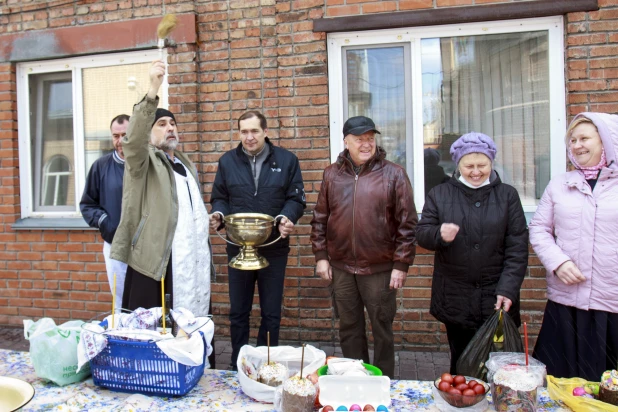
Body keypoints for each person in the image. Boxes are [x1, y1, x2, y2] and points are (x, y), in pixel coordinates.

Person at [110, 60, 215, 367]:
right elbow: (133, 141)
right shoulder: (143, 161)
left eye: (173, 124)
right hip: (159, 263)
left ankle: (193, 366)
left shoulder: (184, 164)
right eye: (162, 124)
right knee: (160, 333)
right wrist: (153, 88)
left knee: (192, 319)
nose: (170, 128)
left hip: (191, 264)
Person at [310, 116, 417, 379]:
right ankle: (355, 379)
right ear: (346, 142)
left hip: (379, 269)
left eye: (370, 138)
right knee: (349, 327)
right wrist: (321, 257)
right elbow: (320, 218)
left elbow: (408, 223)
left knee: (382, 329)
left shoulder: (394, 174)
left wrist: (401, 264)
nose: (366, 144)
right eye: (359, 139)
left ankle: (383, 381)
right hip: (341, 267)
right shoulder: (331, 175)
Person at [416, 132, 528, 375]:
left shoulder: (508, 196)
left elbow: (517, 248)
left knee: (500, 366)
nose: (476, 171)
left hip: (496, 295)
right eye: (469, 166)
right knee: (462, 362)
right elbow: (422, 233)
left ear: (491, 164)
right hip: (455, 297)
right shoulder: (440, 194)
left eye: (482, 165)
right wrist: (438, 234)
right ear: (458, 165)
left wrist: (508, 289)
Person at [210, 110, 306, 370]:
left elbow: (296, 199)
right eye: (244, 132)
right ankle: (238, 366)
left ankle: (266, 365)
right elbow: (219, 196)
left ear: (265, 131)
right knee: (238, 312)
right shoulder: (227, 161)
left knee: (271, 313)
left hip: (274, 248)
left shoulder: (287, 160)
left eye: (254, 131)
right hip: (237, 248)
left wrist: (287, 217)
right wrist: (219, 213)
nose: (249, 137)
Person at [530, 113, 618, 380]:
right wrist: (558, 262)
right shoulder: (560, 184)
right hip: (566, 300)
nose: (577, 145)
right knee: (560, 382)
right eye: (572, 140)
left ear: (606, 142)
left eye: (585, 138)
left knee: (608, 386)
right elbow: (539, 228)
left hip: (611, 301)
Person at [80, 114, 130, 305]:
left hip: (145, 247)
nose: (120, 141)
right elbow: (87, 204)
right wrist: (105, 223)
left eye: (125, 135)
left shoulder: (147, 165)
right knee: (120, 303)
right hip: (115, 247)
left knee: (146, 303)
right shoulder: (100, 167)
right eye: (116, 136)